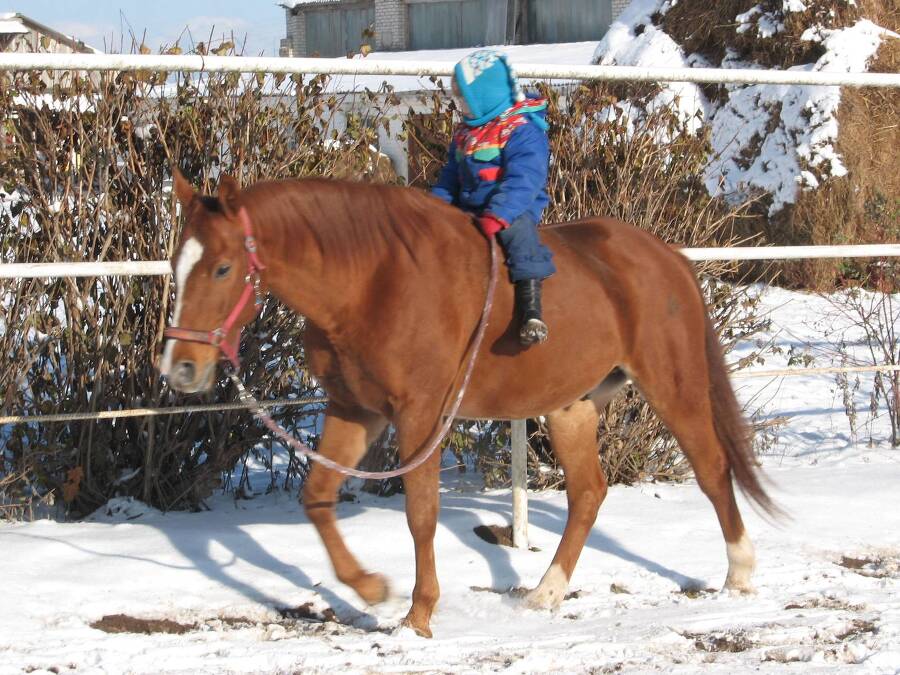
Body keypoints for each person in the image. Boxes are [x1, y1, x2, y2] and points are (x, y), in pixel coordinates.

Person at [431, 49, 555, 346]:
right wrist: (433, 207)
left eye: (465, 99)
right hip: (468, 207)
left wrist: (498, 214)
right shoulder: (467, 132)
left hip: (512, 208)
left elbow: (525, 178)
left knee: (519, 237)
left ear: (486, 95)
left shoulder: (521, 130)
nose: (460, 106)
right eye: (458, 99)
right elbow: (451, 175)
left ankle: (531, 310)